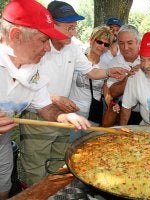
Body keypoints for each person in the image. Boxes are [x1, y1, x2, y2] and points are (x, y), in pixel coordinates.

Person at [19, 1, 128, 186]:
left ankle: (52, 192)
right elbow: (26, 84)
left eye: (75, 27)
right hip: (38, 117)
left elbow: (92, 72)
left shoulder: (72, 49)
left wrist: (110, 72)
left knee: (57, 163)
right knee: (35, 166)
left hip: (62, 117)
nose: (74, 32)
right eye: (69, 27)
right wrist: (54, 98)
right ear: (51, 24)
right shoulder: (36, 47)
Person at [0, 0, 91, 199]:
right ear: (16, 35)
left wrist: (64, 117)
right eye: (43, 40)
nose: (48, 49)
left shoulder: (33, 70)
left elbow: (45, 108)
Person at [68, 26, 114, 141]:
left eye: (106, 44)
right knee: (71, 146)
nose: (102, 46)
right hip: (74, 112)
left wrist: (110, 102)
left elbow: (105, 87)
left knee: (89, 147)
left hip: (93, 114)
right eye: (99, 42)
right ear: (91, 40)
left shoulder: (106, 65)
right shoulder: (78, 60)